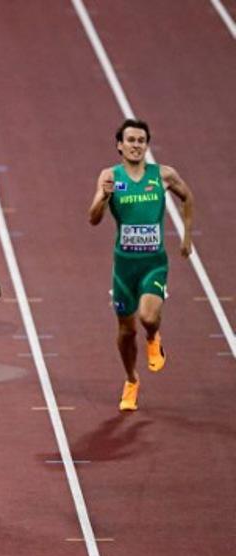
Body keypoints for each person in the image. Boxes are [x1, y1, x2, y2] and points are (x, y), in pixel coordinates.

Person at [88, 118, 194, 411]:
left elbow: (187, 198)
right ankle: (131, 380)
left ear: (147, 146)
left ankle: (153, 336)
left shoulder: (163, 175)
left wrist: (186, 236)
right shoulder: (110, 176)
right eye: (131, 140)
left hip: (153, 263)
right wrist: (104, 196)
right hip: (124, 268)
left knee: (147, 317)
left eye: (141, 141)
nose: (136, 146)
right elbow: (93, 218)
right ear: (119, 145)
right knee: (125, 331)